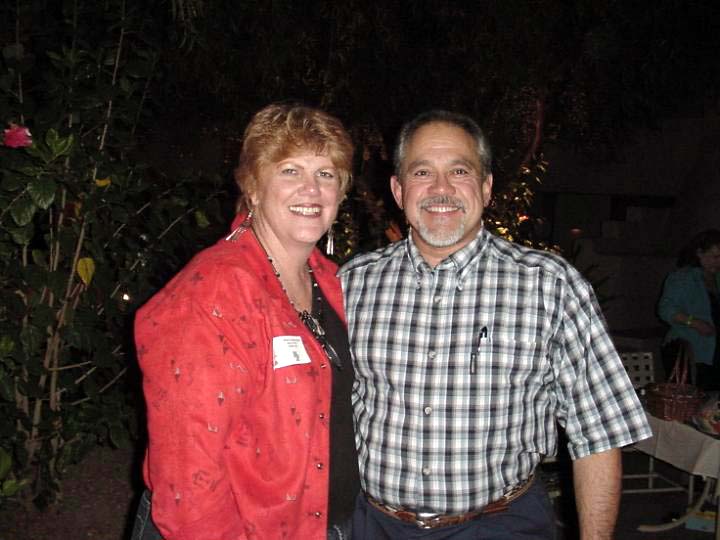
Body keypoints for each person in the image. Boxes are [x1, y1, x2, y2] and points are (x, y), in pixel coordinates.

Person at [340, 110, 652, 539]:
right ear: (398, 190)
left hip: (501, 524)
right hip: (373, 525)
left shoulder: (550, 285)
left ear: (486, 188)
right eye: (422, 172)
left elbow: (599, 433)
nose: (441, 188)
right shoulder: (350, 284)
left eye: (460, 171)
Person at [131, 103, 360, 539]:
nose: (311, 189)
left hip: (322, 525)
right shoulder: (213, 292)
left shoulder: (331, 281)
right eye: (290, 171)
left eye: (326, 174)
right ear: (253, 187)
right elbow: (188, 477)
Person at [658, 229, 720, 390]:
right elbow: (666, 309)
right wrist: (694, 322)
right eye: (715, 256)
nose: (718, 262)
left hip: (714, 351)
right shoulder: (682, 277)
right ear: (700, 253)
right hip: (689, 349)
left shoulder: (717, 278)